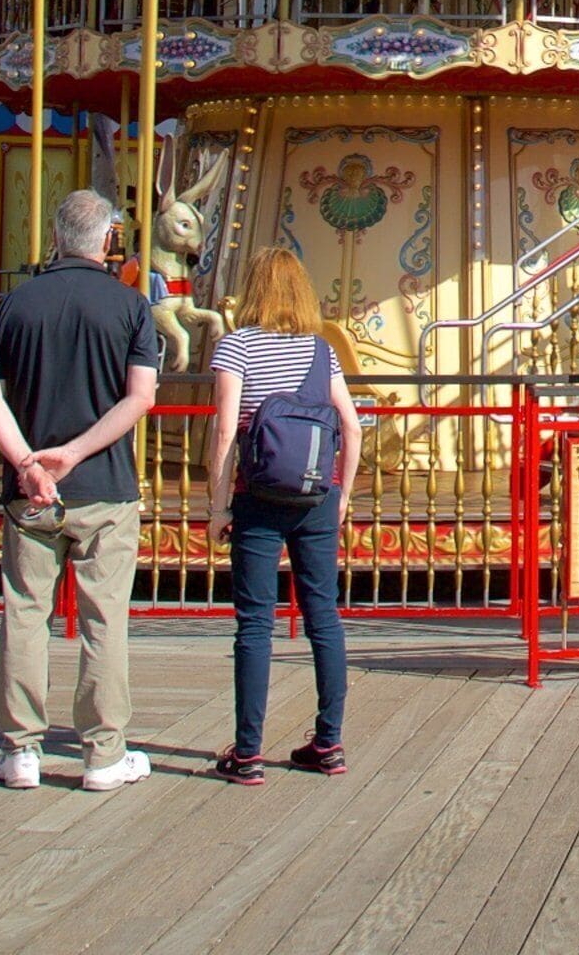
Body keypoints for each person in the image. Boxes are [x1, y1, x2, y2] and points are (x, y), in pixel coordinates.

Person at [0, 189, 161, 792]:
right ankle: (103, 753)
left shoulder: (16, 304)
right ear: (108, 241)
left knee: (26, 614)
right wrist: (76, 454)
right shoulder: (131, 307)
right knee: (104, 619)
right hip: (104, 486)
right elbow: (141, 397)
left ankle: (21, 748)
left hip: (31, 494)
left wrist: (30, 463)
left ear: (55, 237)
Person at [206, 249, 362, 786]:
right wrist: (342, 495)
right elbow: (353, 426)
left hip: (259, 498)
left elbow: (226, 431)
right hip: (317, 498)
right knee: (323, 616)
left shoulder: (236, 346)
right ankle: (329, 742)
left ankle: (247, 752)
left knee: (254, 623)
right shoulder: (322, 350)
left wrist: (219, 504)